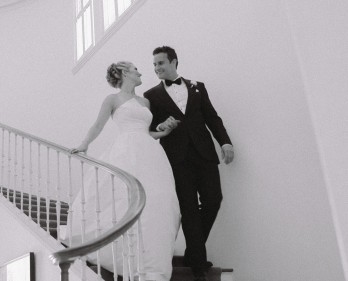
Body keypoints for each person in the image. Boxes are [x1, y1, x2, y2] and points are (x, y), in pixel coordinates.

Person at [69, 61, 181, 281]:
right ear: (123, 73)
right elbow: (98, 125)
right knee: (124, 197)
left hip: (150, 153)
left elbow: (148, 133)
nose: (139, 72)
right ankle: (123, 254)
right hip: (126, 150)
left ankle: (150, 258)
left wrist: (164, 133)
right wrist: (84, 144)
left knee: (158, 200)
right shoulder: (112, 99)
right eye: (134, 68)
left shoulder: (145, 102)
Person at [143, 46, 234, 281]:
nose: (156, 68)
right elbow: (150, 129)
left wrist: (225, 142)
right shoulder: (151, 95)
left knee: (214, 200)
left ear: (174, 62)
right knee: (189, 209)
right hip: (177, 158)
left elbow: (212, 117)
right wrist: (163, 127)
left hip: (204, 154)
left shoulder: (198, 87)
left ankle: (193, 252)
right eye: (154, 64)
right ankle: (199, 266)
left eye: (160, 63)